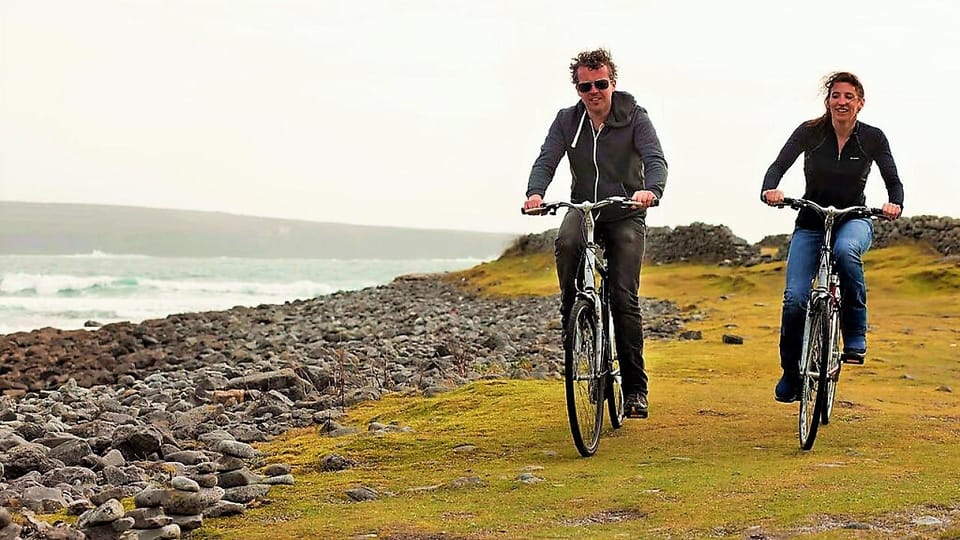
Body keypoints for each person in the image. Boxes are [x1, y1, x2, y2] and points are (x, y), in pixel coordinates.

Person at [523, 48, 667, 418]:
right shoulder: (567, 121)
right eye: (585, 86)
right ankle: (572, 306)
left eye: (600, 84)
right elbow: (547, 159)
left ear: (612, 83)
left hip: (625, 211)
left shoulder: (635, 116)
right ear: (578, 88)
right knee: (566, 241)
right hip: (583, 207)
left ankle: (635, 390)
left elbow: (655, 159)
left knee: (623, 297)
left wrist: (650, 190)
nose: (594, 92)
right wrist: (535, 193)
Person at [761, 71, 904, 402]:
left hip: (853, 219)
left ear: (860, 103)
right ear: (828, 101)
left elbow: (892, 179)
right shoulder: (810, 133)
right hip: (811, 221)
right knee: (795, 298)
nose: (842, 102)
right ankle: (790, 372)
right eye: (836, 96)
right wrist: (771, 189)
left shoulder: (873, 137)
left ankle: (854, 334)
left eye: (848, 96)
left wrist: (894, 203)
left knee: (846, 251)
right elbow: (778, 166)